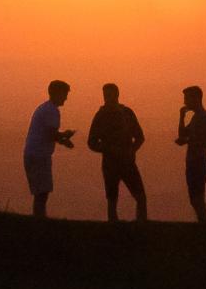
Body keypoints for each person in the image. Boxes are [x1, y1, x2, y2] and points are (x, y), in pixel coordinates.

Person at [86, 82, 147, 222]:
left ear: (117, 95)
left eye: (109, 94)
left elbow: (140, 137)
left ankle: (142, 225)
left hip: (127, 162)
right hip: (110, 163)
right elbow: (91, 142)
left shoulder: (127, 113)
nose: (107, 98)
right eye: (105, 95)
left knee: (140, 197)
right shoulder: (101, 116)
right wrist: (107, 149)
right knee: (112, 199)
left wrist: (132, 150)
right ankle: (113, 228)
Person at [22, 79, 75, 218]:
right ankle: (40, 220)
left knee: (41, 191)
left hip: (34, 154)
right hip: (39, 155)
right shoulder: (52, 111)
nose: (66, 98)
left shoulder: (44, 108)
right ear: (58, 93)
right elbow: (51, 134)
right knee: (42, 192)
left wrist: (63, 138)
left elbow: (49, 133)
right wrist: (65, 139)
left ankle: (39, 219)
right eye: (65, 94)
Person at [175, 85, 206, 223]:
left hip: (198, 162)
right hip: (194, 162)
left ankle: (204, 225)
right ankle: (203, 224)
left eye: (187, 98)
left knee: (197, 198)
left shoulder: (203, 117)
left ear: (196, 98)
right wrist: (181, 117)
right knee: (195, 198)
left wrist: (185, 141)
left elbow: (201, 140)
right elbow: (183, 133)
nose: (185, 102)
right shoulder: (198, 117)